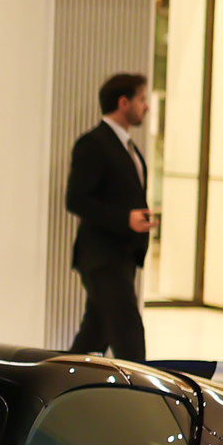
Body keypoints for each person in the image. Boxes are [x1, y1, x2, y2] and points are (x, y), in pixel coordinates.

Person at [66, 72, 156, 364]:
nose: (146, 107)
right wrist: (124, 219)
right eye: (142, 99)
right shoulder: (93, 144)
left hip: (121, 256)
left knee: (94, 336)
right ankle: (144, 398)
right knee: (129, 337)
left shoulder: (126, 146)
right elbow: (76, 199)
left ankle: (61, 386)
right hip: (102, 258)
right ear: (123, 102)